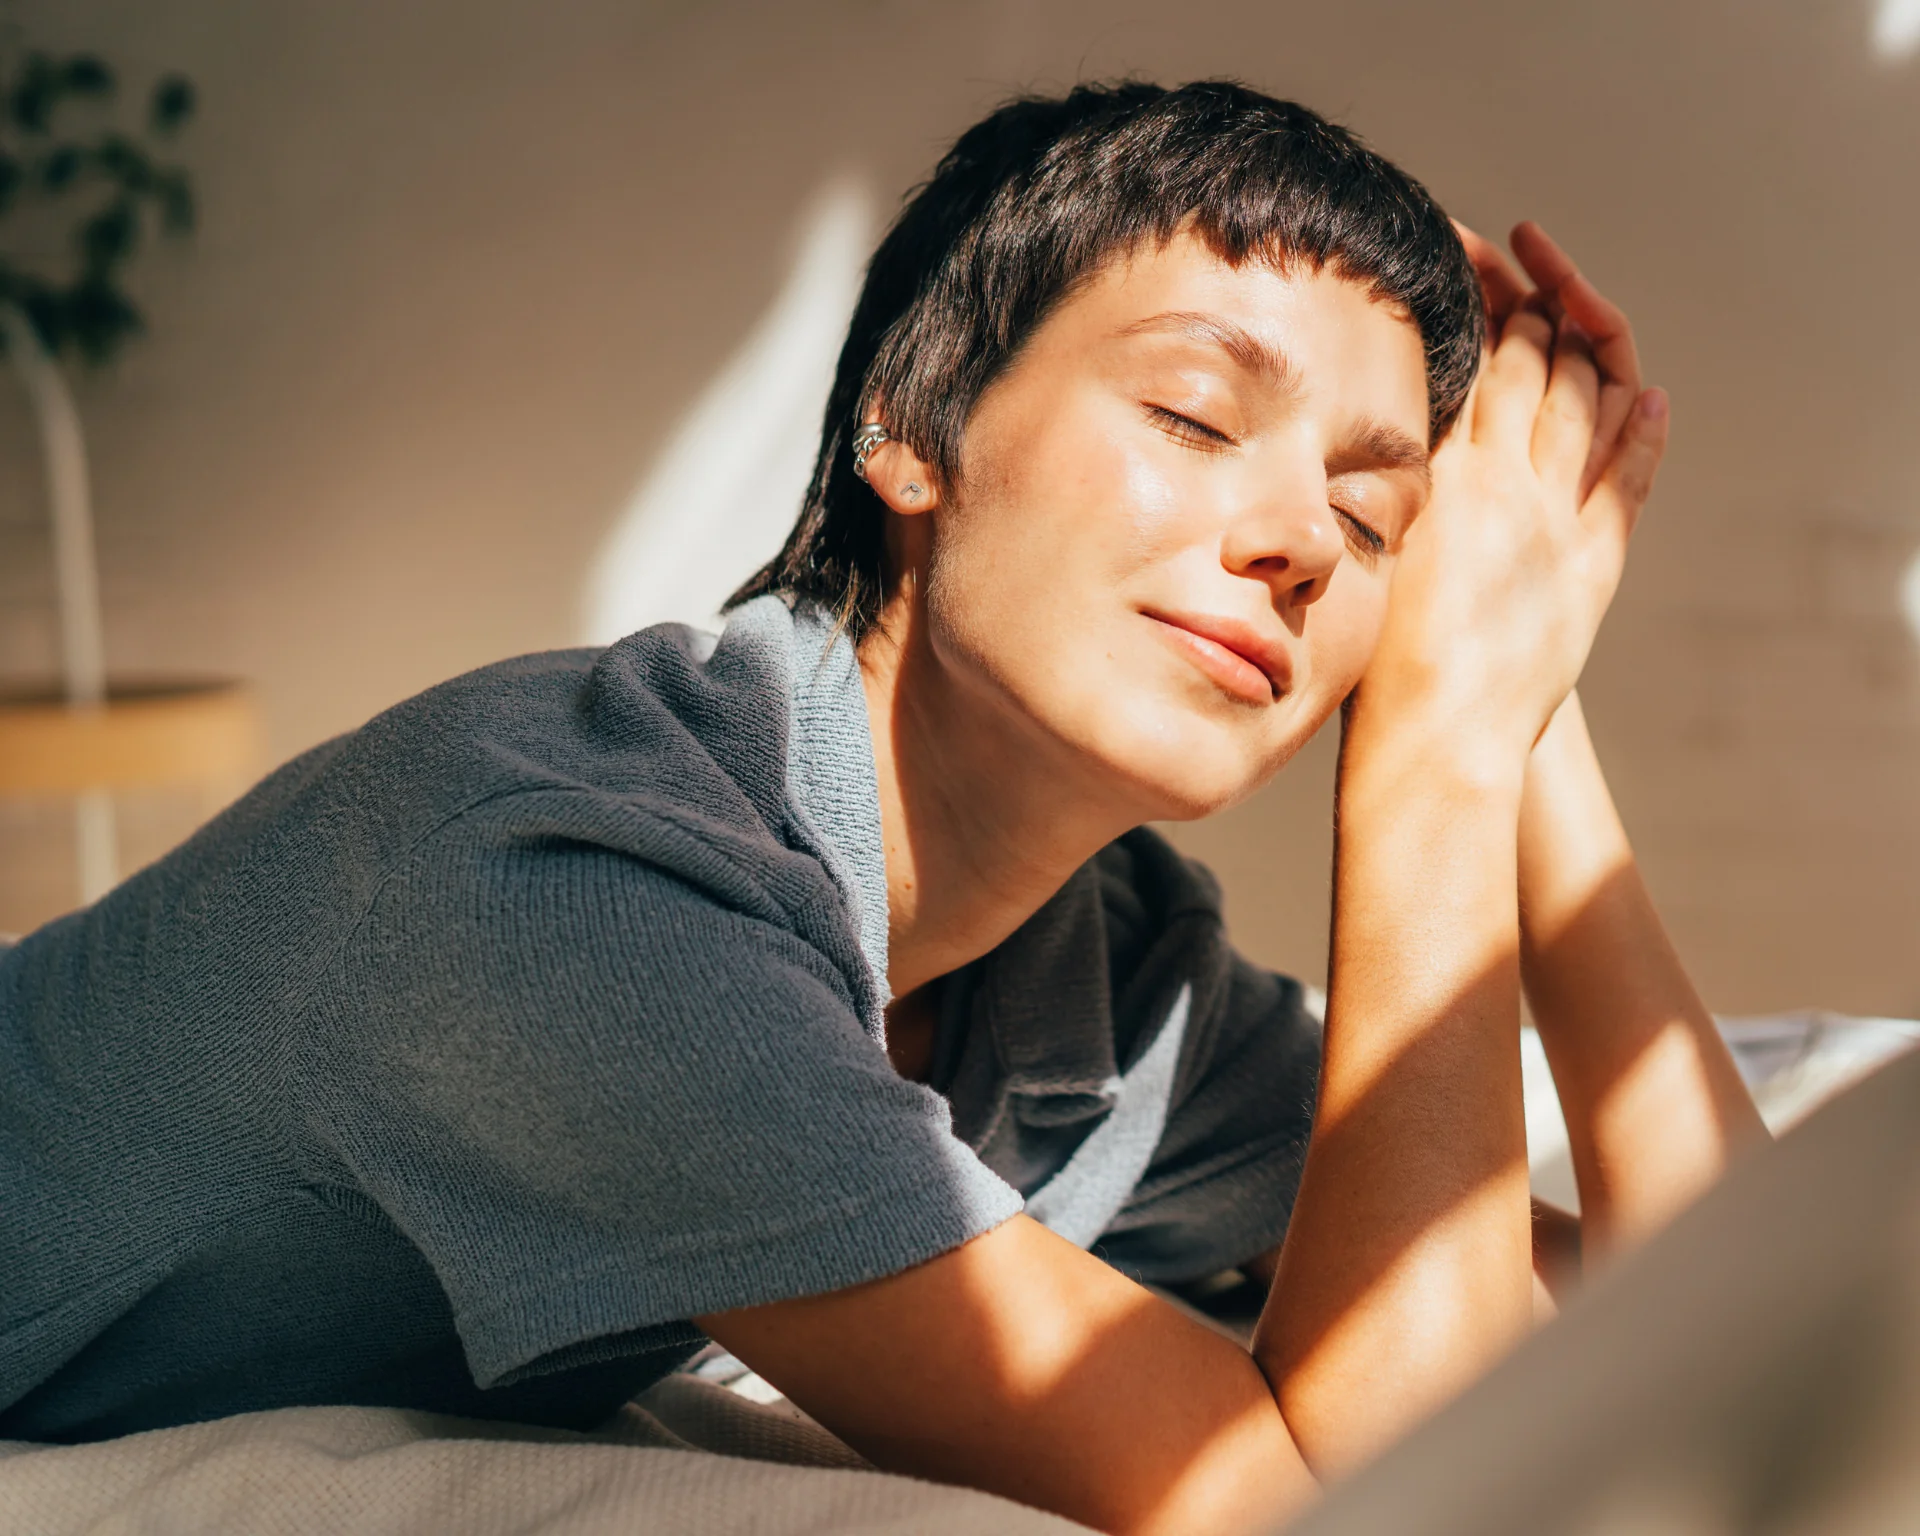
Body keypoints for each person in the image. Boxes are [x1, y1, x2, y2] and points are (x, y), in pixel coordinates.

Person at [0, 81, 1764, 1534]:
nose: (1301, 539)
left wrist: (1527, 706)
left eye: (1380, 527)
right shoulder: (580, 900)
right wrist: (1441, 751)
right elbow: (1381, 1501)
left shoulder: (1105, 989)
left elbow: (1696, 1312)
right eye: (1193, 412)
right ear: (908, 434)